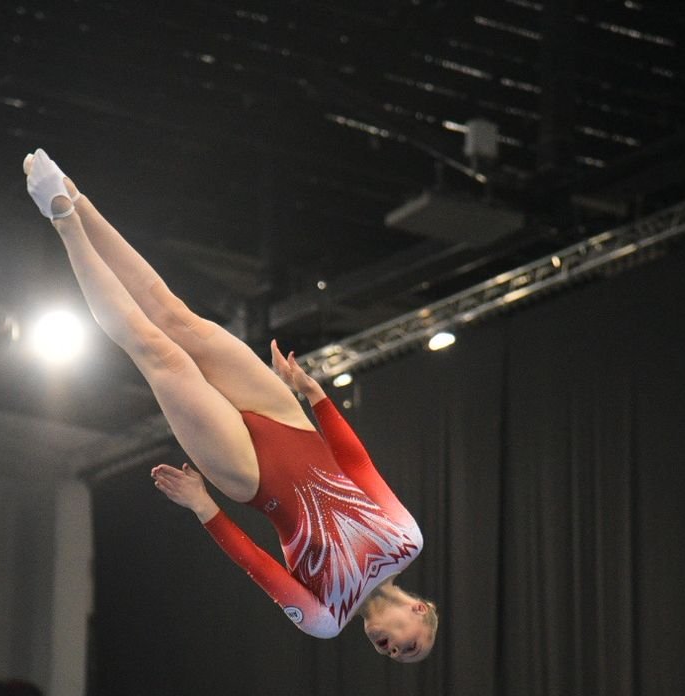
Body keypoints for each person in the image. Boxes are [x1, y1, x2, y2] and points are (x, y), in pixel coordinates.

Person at [24, 150, 438, 661]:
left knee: (160, 355)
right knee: (177, 318)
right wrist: (314, 394)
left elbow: (258, 564)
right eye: (410, 646)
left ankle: (62, 218)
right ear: (419, 609)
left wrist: (204, 506)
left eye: (393, 656)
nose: (392, 650)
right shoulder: (406, 540)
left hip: (250, 474)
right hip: (290, 421)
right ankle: (79, 199)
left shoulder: (327, 619)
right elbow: (358, 465)